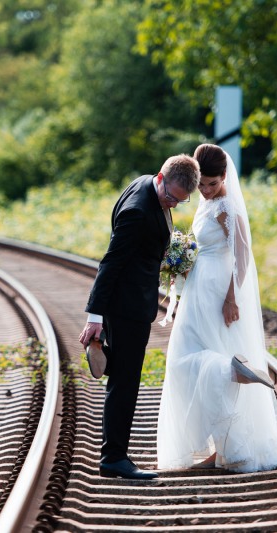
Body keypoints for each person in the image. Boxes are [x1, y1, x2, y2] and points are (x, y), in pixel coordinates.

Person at [156, 144, 277, 472]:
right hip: (198, 289)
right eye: (201, 185)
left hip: (219, 292)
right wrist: (182, 258)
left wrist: (232, 299)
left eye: (213, 184)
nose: (206, 190)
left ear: (225, 179)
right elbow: (202, 245)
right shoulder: (206, 204)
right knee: (180, 359)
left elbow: (242, 257)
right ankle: (228, 386)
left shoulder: (228, 208)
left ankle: (230, 447)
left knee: (201, 354)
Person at [79, 155, 200, 480]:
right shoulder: (138, 210)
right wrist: (95, 315)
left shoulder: (147, 183)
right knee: (125, 383)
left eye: (179, 201)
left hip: (132, 303)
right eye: (170, 197)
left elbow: (146, 246)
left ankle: (114, 455)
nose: (172, 203)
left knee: (124, 380)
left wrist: (172, 256)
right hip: (126, 308)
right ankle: (114, 458)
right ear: (161, 177)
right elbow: (111, 262)